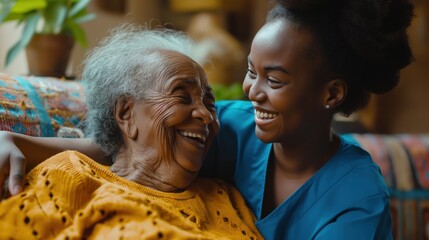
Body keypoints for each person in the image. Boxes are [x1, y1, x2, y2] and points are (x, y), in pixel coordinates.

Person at [0, 0, 414, 239]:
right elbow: (130, 147)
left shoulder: (357, 197)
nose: (252, 91)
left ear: (331, 94)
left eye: (275, 79)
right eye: (251, 71)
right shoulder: (233, 126)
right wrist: (16, 141)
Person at [0, 26, 263, 240]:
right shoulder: (69, 177)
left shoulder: (225, 198)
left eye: (209, 103)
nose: (206, 115)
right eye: (182, 96)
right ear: (126, 113)